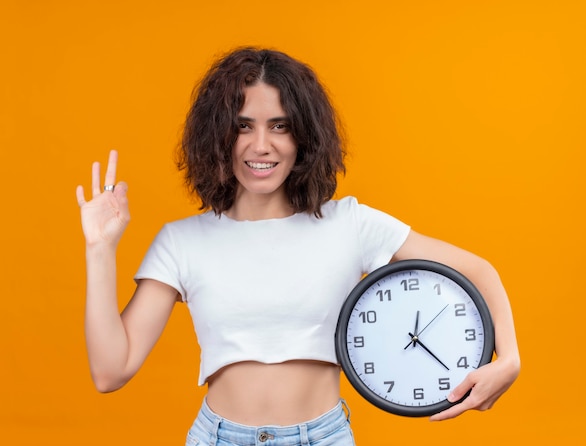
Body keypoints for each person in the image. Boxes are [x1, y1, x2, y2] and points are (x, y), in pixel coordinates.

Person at [76, 47, 520, 445]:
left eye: (280, 126)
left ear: (303, 137)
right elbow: (111, 371)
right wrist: (100, 250)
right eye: (243, 126)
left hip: (323, 437)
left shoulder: (350, 224)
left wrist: (510, 359)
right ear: (217, 135)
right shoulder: (182, 241)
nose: (261, 145)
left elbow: (479, 272)